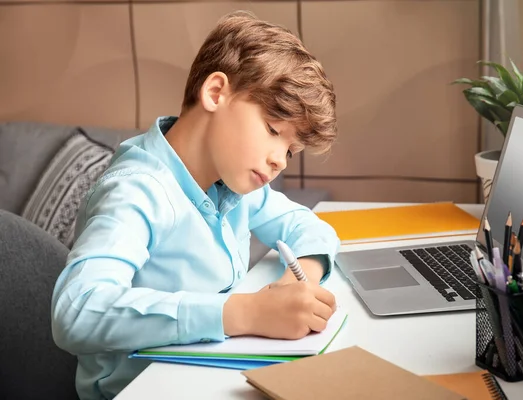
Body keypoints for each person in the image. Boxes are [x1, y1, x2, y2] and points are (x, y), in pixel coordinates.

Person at [50, 10, 340, 400]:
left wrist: (291, 285)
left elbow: (309, 227)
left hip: (209, 374)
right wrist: (247, 313)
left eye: (291, 149)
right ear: (216, 93)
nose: (280, 160)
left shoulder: (232, 181)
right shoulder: (138, 191)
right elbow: (77, 311)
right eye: (273, 130)